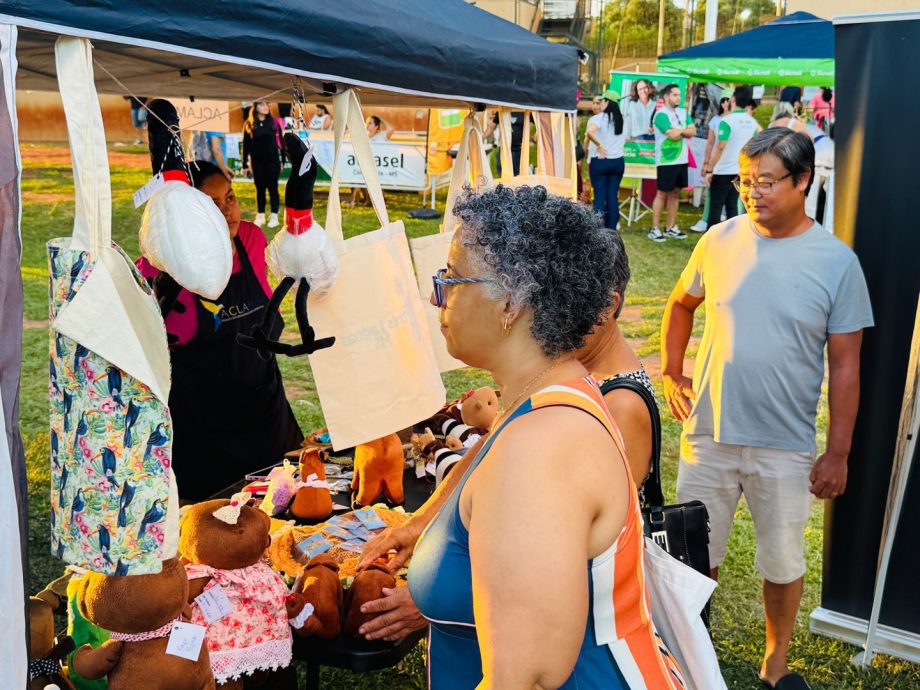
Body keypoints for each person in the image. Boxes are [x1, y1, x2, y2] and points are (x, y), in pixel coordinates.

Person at [661, 129, 873, 690]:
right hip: (707, 436)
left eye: (767, 182)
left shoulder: (837, 263)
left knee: (781, 564)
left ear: (804, 181)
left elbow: (847, 367)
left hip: (785, 446)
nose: (753, 192)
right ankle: (688, 656)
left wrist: (838, 453)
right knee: (691, 562)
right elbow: (681, 304)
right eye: (746, 181)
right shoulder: (718, 239)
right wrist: (671, 368)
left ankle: (774, 665)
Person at [137, 160, 303, 500]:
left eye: (230, 198)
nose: (227, 211)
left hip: (265, 419)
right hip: (203, 435)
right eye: (210, 204)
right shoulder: (163, 266)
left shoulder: (251, 240)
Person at [702, 85, 761, 230]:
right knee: (732, 208)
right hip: (740, 171)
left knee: (715, 208)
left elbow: (720, 146)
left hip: (723, 171)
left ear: (733, 99)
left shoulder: (727, 121)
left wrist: (709, 169)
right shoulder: (752, 122)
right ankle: (732, 242)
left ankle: (711, 243)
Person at [649, 83, 695, 243]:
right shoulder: (660, 115)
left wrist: (679, 131)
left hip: (682, 160)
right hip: (666, 161)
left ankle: (670, 227)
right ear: (666, 97)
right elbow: (673, 136)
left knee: (675, 193)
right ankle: (654, 229)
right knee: (662, 194)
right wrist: (684, 131)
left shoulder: (683, 112)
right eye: (675, 95)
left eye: (679, 95)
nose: (678, 97)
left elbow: (693, 131)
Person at [585, 89, 626, 229]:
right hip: (618, 162)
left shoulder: (598, 118)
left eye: (602, 101)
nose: (600, 104)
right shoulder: (623, 119)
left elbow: (589, 132)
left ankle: (597, 229)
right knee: (612, 196)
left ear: (607, 102)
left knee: (600, 196)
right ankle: (611, 229)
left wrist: (599, 145)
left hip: (601, 162)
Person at [690, 95, 731, 233]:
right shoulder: (716, 120)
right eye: (724, 100)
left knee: (733, 199)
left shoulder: (737, 120)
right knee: (711, 195)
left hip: (732, 165)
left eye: (729, 100)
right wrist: (707, 164)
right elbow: (710, 144)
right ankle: (706, 220)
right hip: (716, 163)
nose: (727, 103)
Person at [242, 101, 284, 228]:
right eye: (262, 105)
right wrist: (244, 165)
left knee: (273, 188)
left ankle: (274, 216)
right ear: (255, 108)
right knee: (260, 189)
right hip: (257, 162)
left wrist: (283, 160)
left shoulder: (274, 122)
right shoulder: (249, 124)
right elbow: (246, 145)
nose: (266, 107)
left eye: (267, 105)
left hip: (273, 161)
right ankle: (260, 216)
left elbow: (281, 142)